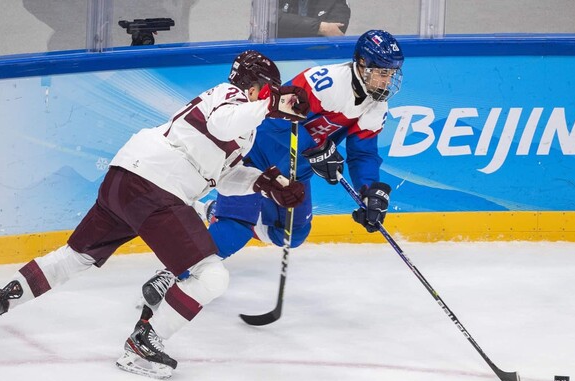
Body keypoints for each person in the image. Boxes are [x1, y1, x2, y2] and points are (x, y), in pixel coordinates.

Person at [0, 49, 310, 380]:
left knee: (75, 256)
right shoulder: (229, 97)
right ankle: (142, 344)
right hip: (157, 188)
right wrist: (271, 107)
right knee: (211, 276)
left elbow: (223, 175)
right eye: (268, 91)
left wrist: (265, 184)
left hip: (127, 177)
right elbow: (222, 124)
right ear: (259, 87)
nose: (269, 98)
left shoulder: (240, 122)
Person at [141, 30, 404, 309]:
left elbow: (362, 153)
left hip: (297, 169)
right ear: (361, 64)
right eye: (381, 73)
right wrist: (315, 147)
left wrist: (369, 192)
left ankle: (213, 211)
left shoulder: (377, 105)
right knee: (237, 227)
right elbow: (276, 118)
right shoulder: (324, 82)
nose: (387, 81)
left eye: (390, 74)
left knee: (290, 234)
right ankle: (172, 273)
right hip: (258, 152)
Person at [277, 0, 351, 38]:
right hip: (277, 52)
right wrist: (320, 28)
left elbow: (336, 30)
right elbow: (271, 20)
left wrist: (289, 25)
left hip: (318, 55)